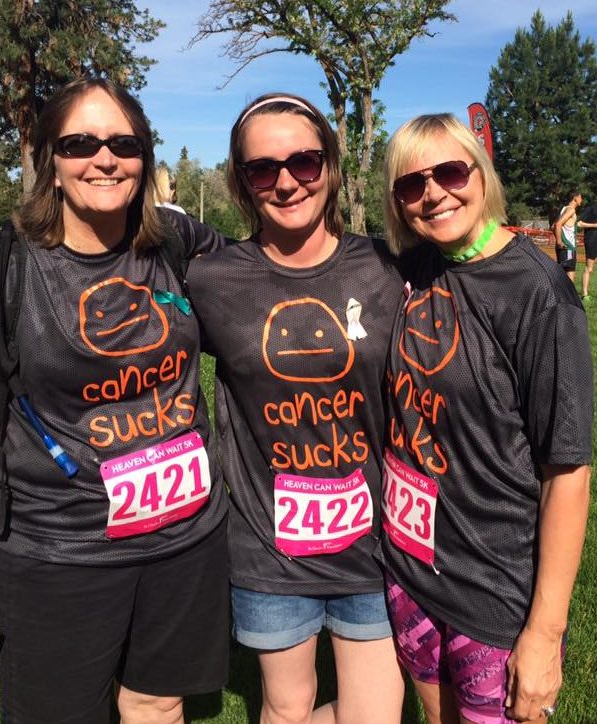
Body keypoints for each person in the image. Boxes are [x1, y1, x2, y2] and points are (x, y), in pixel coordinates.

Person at [0, 78, 229, 724]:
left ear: (144, 159)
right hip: (59, 551)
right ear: (50, 159)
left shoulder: (177, 246)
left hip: (185, 540)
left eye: (123, 144)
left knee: (157, 704)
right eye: (80, 143)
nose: (104, 159)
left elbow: (276, 282)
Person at [187, 93, 405, 724]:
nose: (286, 182)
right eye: (263, 169)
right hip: (268, 547)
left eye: (305, 162)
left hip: (373, 540)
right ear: (241, 182)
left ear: (331, 167)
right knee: (286, 708)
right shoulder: (214, 278)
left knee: (373, 715)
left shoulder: (385, 268)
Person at [381, 113, 593, 724]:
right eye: (411, 184)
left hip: (493, 587)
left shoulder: (539, 294)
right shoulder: (417, 267)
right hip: (409, 566)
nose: (433, 193)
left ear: (481, 174)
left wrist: (546, 634)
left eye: (450, 171)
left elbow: (568, 472)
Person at [553, 192, 583, 281]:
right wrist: (559, 242)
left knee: (562, 276)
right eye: (580, 197)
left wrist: (559, 241)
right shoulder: (571, 210)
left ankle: (559, 294)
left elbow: (553, 226)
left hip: (563, 248)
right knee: (570, 277)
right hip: (568, 248)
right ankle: (568, 295)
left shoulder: (563, 209)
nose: (581, 200)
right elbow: (558, 225)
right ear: (575, 198)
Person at [578, 196, 597, 301]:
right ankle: (585, 294)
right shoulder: (591, 207)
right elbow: (579, 223)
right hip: (592, 239)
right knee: (589, 268)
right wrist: (595, 225)